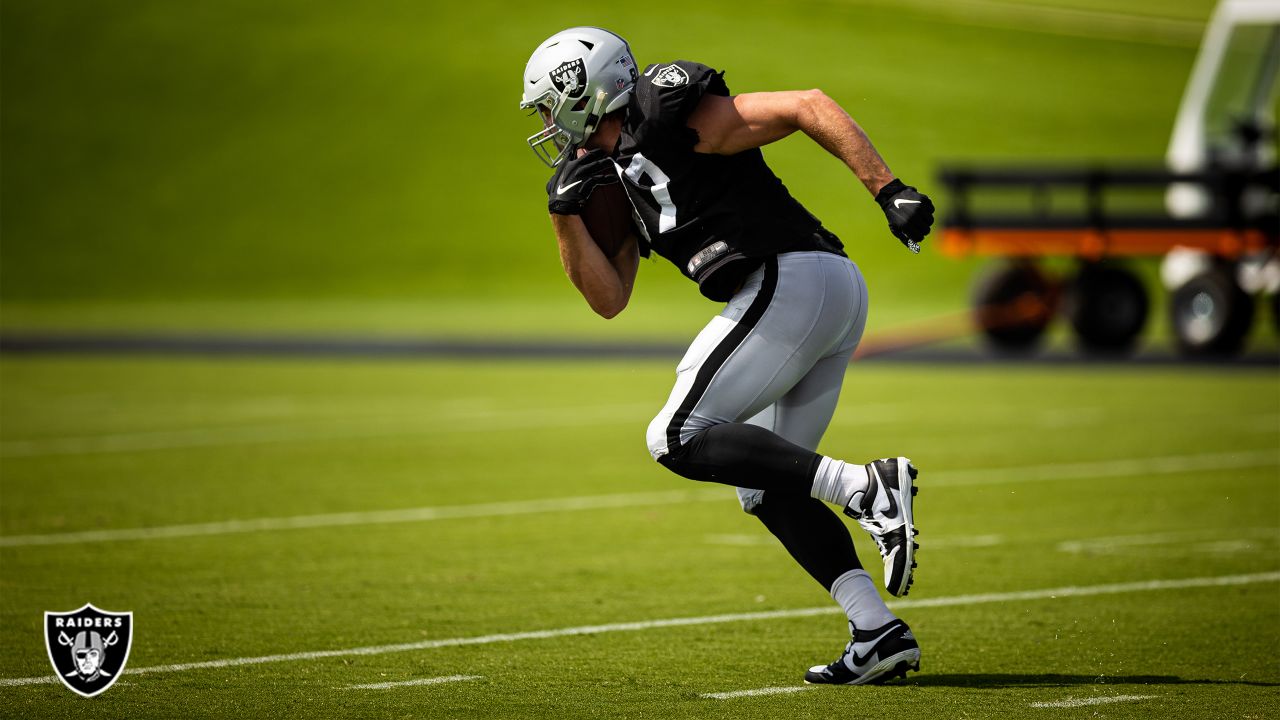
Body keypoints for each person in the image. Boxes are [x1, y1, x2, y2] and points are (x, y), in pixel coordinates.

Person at [519, 27, 935, 685]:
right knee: (763, 485)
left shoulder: (665, 108)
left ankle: (864, 487)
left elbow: (807, 105)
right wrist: (563, 216)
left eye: (548, 105)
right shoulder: (609, 173)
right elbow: (609, 298)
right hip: (816, 292)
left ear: (580, 90)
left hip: (791, 277)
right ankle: (876, 630)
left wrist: (888, 189)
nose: (547, 122)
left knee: (675, 434)